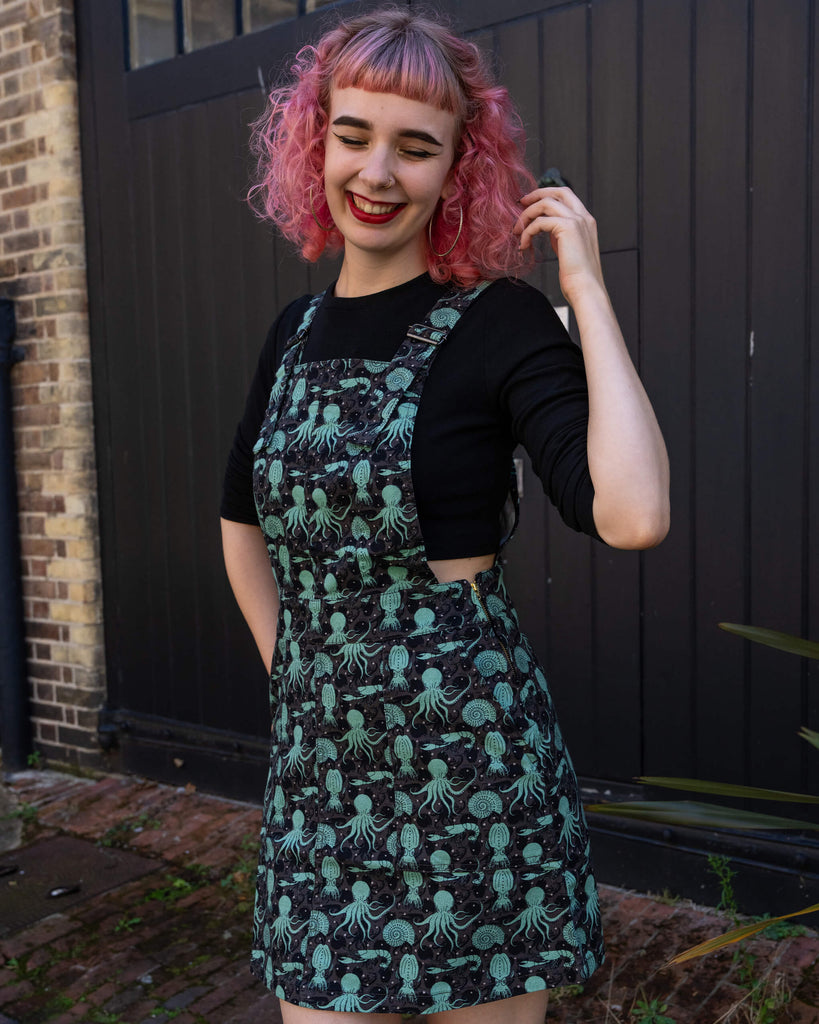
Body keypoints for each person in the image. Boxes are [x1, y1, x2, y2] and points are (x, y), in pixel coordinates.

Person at [219, 8, 669, 1023]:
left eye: (415, 147)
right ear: (313, 140)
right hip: (324, 783)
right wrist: (290, 666)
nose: (378, 172)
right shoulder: (292, 334)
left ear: (457, 168)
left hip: (473, 778)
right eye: (354, 135)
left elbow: (634, 512)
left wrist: (586, 290)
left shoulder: (499, 322)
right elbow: (240, 515)